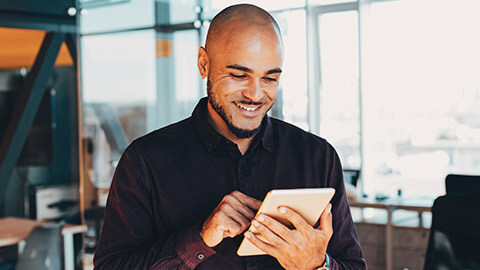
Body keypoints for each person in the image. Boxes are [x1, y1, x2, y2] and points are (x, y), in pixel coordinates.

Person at [94, 4, 366, 270]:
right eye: (239, 75)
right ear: (204, 64)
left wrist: (318, 265)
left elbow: (353, 265)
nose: (256, 94)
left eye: (270, 78)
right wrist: (199, 240)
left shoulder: (317, 157)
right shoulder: (144, 162)